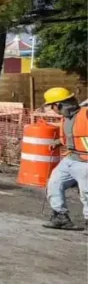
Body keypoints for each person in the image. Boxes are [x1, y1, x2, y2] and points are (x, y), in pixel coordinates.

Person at [41, 87, 88, 230]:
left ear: (58, 105)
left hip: (86, 162)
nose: (52, 109)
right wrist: (58, 143)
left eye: (52, 106)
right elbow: (73, 136)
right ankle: (61, 217)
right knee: (54, 184)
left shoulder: (85, 113)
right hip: (71, 159)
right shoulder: (66, 118)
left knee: (86, 193)